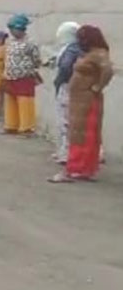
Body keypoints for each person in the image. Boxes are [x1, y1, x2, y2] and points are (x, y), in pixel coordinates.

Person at [49, 25, 114, 183]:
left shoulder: (99, 53)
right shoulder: (90, 53)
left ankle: (73, 168)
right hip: (79, 99)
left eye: (82, 38)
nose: (80, 41)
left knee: (81, 135)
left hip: (87, 100)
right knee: (82, 135)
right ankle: (83, 169)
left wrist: (97, 87)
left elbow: (108, 71)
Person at [2, 14, 42, 136]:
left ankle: (27, 128)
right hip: (10, 76)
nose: (11, 32)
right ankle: (11, 125)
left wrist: (29, 69)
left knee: (25, 101)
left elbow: (36, 59)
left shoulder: (30, 43)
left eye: (13, 29)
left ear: (20, 29)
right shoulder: (10, 42)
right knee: (11, 100)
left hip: (24, 77)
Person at [51, 22, 82, 165]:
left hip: (66, 87)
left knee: (65, 121)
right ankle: (65, 151)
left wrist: (60, 80)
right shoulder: (77, 48)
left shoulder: (72, 49)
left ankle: (66, 153)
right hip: (73, 88)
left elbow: (65, 67)